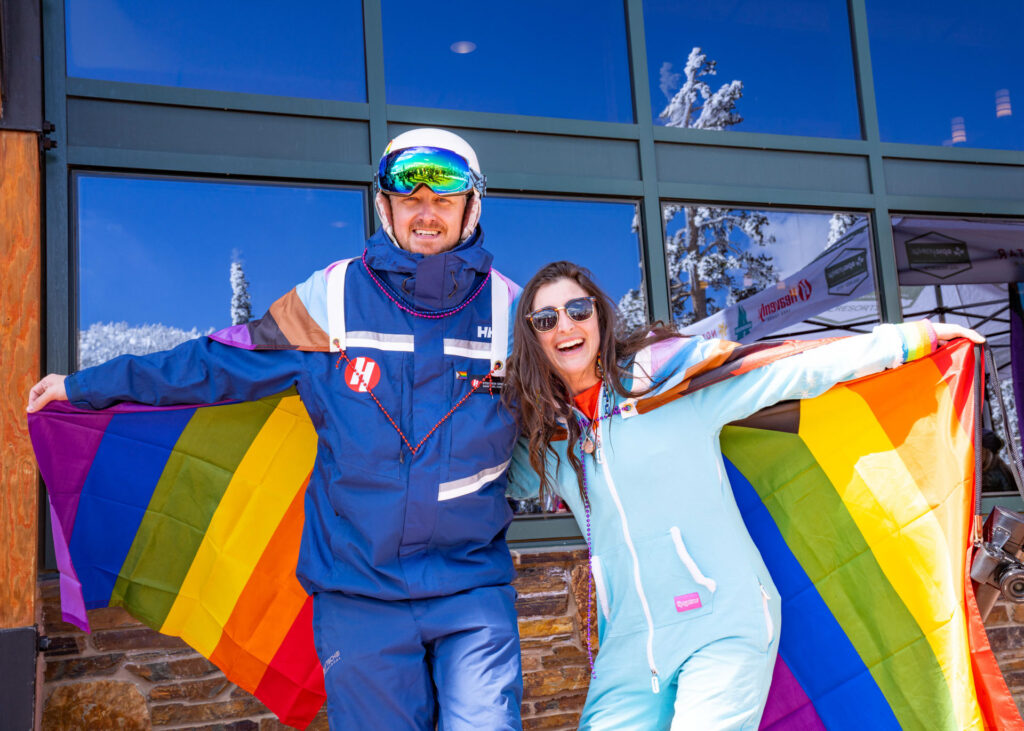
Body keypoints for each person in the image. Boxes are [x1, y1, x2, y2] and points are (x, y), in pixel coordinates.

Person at [28, 128, 524, 730]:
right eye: (409, 198)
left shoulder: (514, 315)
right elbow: (215, 364)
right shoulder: (330, 299)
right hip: (359, 591)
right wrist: (86, 388)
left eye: (444, 200)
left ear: (473, 207)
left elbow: (586, 393)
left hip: (470, 588)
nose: (426, 213)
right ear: (383, 205)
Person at [503, 260, 983, 731]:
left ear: (599, 317)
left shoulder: (672, 391)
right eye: (546, 319)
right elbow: (492, 477)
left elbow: (794, 370)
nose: (565, 325)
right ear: (534, 337)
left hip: (722, 624)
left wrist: (909, 339)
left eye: (578, 309)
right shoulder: (551, 439)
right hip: (630, 649)